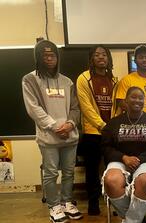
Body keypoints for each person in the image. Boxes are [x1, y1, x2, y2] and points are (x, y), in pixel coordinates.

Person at [22, 40, 83, 223]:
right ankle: (54, 206)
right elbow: (33, 109)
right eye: (45, 55)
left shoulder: (67, 81)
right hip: (49, 138)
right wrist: (56, 127)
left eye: (53, 55)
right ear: (38, 58)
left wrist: (71, 124)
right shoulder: (30, 79)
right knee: (50, 173)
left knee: (69, 172)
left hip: (69, 136)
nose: (50, 59)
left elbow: (75, 108)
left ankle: (66, 202)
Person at [102, 86, 146, 223]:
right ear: (125, 101)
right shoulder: (113, 123)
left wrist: (138, 160)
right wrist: (124, 158)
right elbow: (106, 147)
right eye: (133, 97)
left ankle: (129, 220)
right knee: (111, 180)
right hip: (120, 160)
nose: (137, 100)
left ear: (144, 101)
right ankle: (136, 218)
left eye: (140, 98)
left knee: (145, 181)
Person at [76, 45, 117, 215]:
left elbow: (117, 106)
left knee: (113, 169)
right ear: (91, 58)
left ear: (108, 58)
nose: (101, 57)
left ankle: (115, 204)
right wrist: (102, 126)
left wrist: (112, 126)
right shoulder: (83, 78)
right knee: (92, 171)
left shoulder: (114, 79)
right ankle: (94, 204)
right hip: (92, 132)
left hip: (111, 133)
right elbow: (86, 107)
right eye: (97, 55)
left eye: (104, 54)